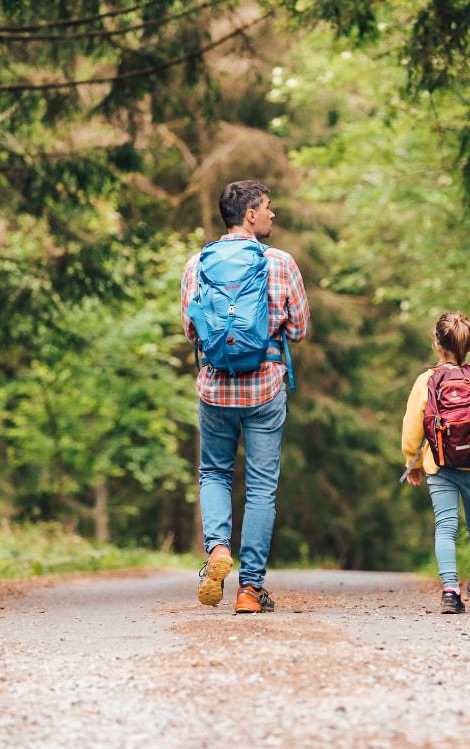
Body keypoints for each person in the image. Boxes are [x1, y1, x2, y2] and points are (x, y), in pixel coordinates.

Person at [181, 180, 310, 614]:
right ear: (249, 215)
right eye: (268, 208)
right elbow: (299, 329)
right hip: (265, 387)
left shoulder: (198, 263)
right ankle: (250, 590)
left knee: (214, 473)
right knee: (260, 488)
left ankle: (218, 548)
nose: (273, 215)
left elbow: (190, 329)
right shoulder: (280, 263)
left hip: (215, 387)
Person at [401, 312, 470, 614]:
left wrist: (411, 462)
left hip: (440, 466)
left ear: (437, 345)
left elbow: (412, 428)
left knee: (445, 526)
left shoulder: (426, 380)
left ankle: (450, 592)